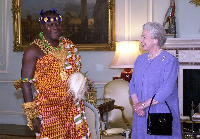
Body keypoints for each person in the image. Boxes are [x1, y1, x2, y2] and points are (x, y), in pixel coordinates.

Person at [19, 9, 91, 139]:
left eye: (58, 24)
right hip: (48, 112)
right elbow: (25, 82)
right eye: (50, 25)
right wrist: (33, 116)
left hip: (72, 108)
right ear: (42, 27)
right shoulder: (33, 50)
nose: (55, 27)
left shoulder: (69, 45)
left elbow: (76, 72)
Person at [129, 22, 181, 138]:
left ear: (156, 40)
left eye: (144, 37)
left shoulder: (170, 61)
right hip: (141, 114)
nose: (141, 40)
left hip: (161, 113)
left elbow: (166, 90)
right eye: (141, 37)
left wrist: (142, 105)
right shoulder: (140, 59)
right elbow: (132, 84)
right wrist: (137, 104)